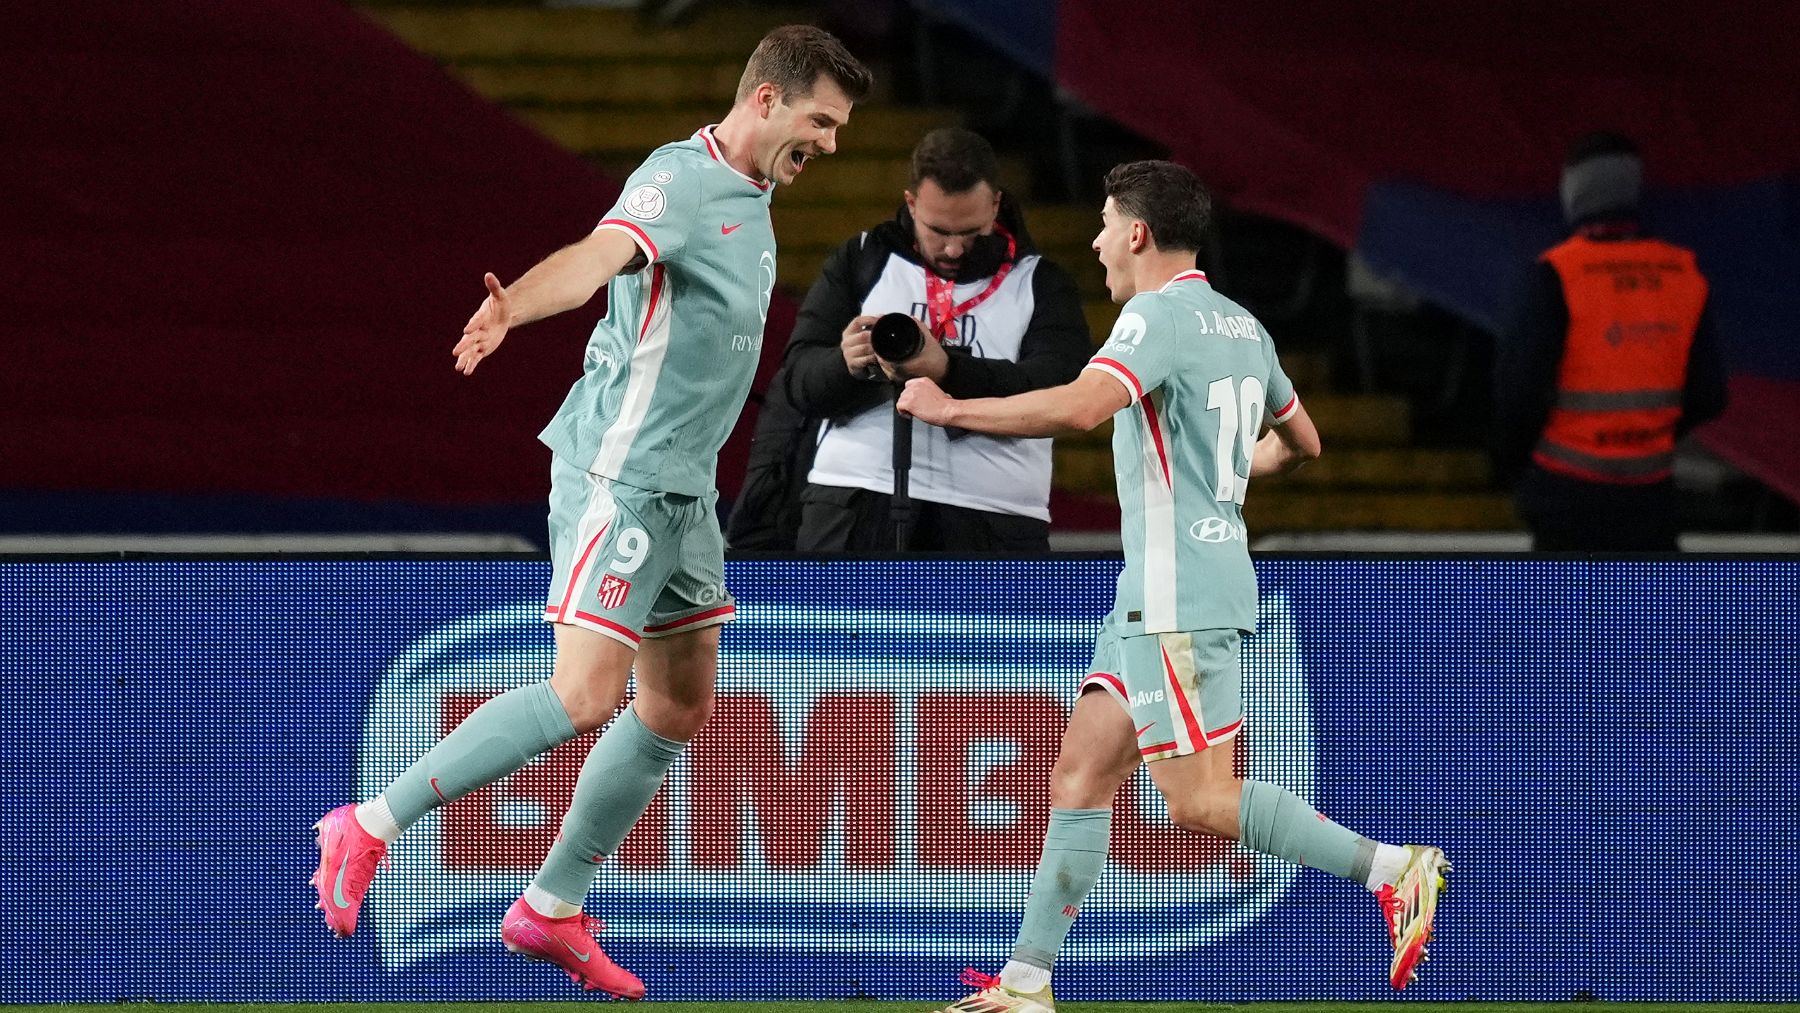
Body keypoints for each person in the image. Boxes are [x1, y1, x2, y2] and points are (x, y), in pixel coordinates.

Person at [306, 26, 871, 998]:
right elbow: (599, 253)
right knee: (583, 693)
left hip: (687, 490)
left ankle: (552, 906)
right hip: (625, 475)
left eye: (841, 128)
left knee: (677, 704)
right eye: (820, 120)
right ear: (768, 99)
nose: (828, 142)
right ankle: (368, 822)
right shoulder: (683, 180)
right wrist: (513, 307)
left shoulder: (757, 194)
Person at [898, 160, 1451, 1010]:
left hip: (1181, 594)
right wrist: (1229, 476)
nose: (1095, 240)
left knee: (1199, 800)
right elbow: (1301, 440)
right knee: (1079, 775)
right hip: (1150, 592)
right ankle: (1026, 982)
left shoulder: (1153, 315)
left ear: (1138, 234)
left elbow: (1083, 408)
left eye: (1105, 221)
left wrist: (952, 410)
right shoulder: (1243, 326)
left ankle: (1394, 867)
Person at [726, 127, 1091, 552]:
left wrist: (948, 370)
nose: (954, 249)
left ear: (996, 205)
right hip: (854, 498)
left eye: (970, 231)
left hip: (993, 513)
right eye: (938, 230)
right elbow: (796, 385)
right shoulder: (864, 257)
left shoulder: (1042, 284)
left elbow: (1061, 393)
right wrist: (843, 364)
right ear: (911, 202)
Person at [1493, 130, 1728, 551]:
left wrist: (1521, 468)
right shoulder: (1682, 275)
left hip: (1566, 498)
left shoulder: (1558, 275)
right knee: (1645, 616)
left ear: (1574, 192)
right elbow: (1709, 393)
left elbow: (1517, 393)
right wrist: (1645, 435)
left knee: (1567, 616)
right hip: (1649, 495)